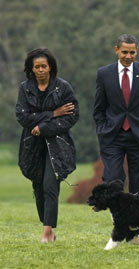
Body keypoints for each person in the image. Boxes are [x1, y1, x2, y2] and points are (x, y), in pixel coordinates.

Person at [93, 34, 139, 244]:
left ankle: (133, 234)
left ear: (136, 51)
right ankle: (120, 228)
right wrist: (103, 131)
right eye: (124, 52)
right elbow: (99, 108)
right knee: (113, 179)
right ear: (116, 50)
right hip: (112, 136)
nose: (128, 56)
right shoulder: (104, 74)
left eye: (132, 52)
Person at [16, 48, 79, 243]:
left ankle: (46, 233)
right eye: (37, 67)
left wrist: (44, 127)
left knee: (50, 186)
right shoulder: (24, 88)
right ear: (31, 69)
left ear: (50, 67)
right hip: (32, 146)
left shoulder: (63, 87)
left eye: (44, 66)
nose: (41, 70)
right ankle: (49, 228)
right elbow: (23, 116)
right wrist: (52, 114)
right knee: (38, 187)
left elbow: (72, 116)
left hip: (57, 146)